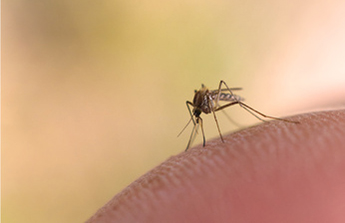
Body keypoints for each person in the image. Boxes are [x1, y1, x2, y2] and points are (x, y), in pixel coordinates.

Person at [87, 110, 345, 223]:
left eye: (198, 114)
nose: (197, 116)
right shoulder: (197, 108)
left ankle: (266, 118)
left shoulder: (209, 102)